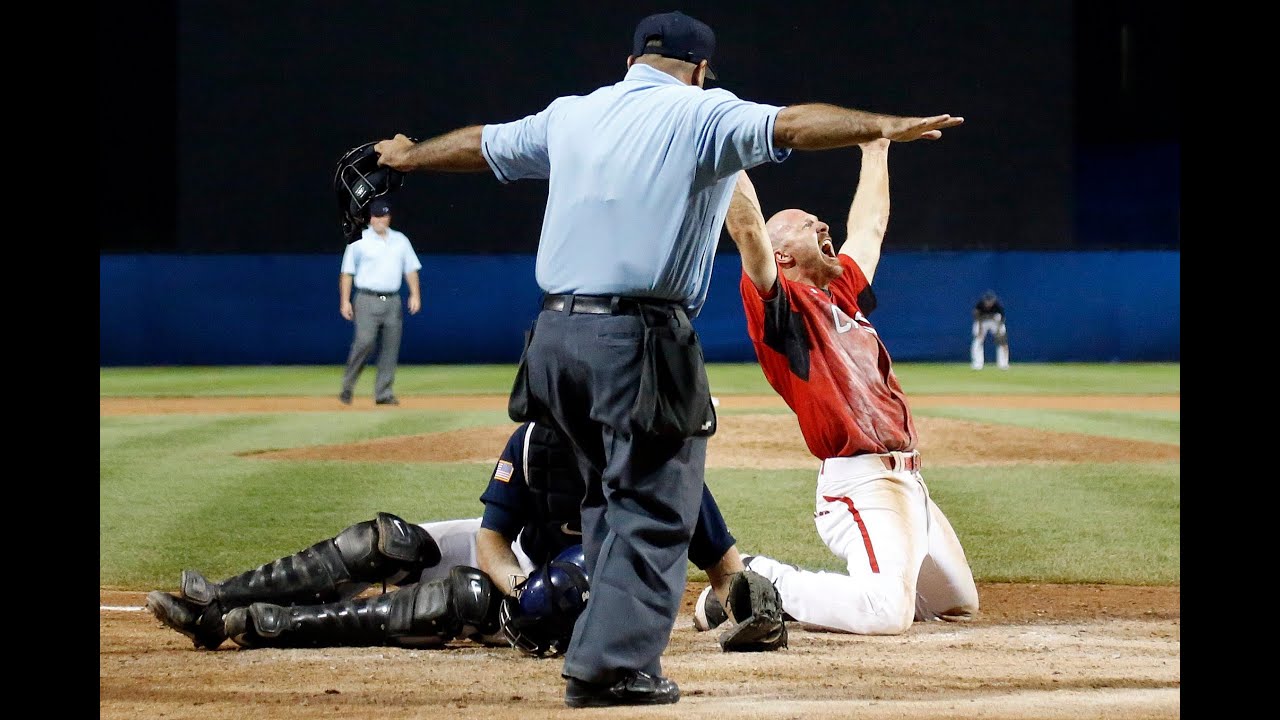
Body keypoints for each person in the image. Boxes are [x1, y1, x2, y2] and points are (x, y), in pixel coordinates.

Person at [371, 10, 963, 707]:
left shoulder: (573, 115)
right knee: (653, 507)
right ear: (701, 70)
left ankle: (590, 637)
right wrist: (878, 126)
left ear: (629, 63)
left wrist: (410, 157)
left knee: (604, 501)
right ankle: (613, 668)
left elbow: (482, 145)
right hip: (638, 336)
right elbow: (796, 125)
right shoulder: (702, 114)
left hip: (554, 340)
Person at [145, 421, 782, 655]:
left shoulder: (665, 472)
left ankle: (261, 627)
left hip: (572, 602)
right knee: (386, 543)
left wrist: (738, 615)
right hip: (524, 571)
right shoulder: (534, 444)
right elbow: (491, 541)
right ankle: (217, 603)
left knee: (468, 602)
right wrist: (518, 583)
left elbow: (725, 572)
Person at [718, 139, 979, 637]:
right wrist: (719, 145)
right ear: (782, 257)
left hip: (908, 483)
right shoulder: (782, 306)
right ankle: (750, 580)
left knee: (956, 603)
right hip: (860, 482)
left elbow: (871, 226)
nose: (823, 226)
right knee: (887, 612)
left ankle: (765, 587)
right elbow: (748, 226)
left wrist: (875, 146)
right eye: (806, 225)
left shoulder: (840, 292)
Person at [337, 197, 422, 406]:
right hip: (366, 298)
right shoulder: (359, 240)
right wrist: (345, 301)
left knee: (390, 348)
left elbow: (410, 269)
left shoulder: (400, 240)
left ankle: (383, 393)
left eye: (383, 216)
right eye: (376, 216)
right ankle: (347, 387)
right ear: (369, 218)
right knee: (364, 342)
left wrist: (415, 294)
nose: (380, 220)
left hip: (392, 300)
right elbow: (347, 272)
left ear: (389, 217)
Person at [971, 290, 1009, 370]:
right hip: (982, 322)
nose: (988, 303)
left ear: (993, 300)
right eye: (987, 300)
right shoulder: (980, 305)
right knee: (978, 340)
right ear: (984, 300)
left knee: (1002, 341)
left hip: (995, 322)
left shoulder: (997, 306)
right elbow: (977, 318)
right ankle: (977, 364)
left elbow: (1001, 320)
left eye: (990, 300)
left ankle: (1003, 364)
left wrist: (999, 332)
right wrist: (980, 331)